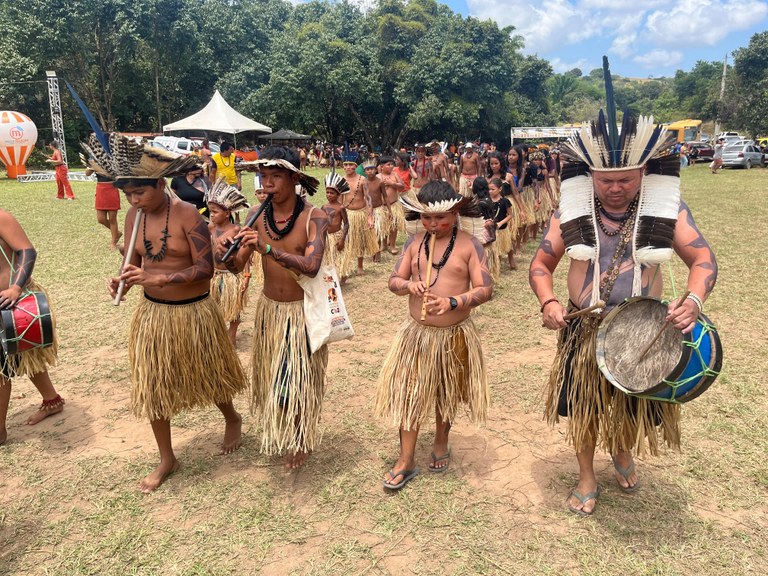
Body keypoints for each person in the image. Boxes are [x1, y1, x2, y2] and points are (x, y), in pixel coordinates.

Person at [529, 58, 718, 516]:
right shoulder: (570, 211)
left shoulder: (667, 209)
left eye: (625, 180)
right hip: (584, 327)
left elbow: (703, 260)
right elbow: (540, 264)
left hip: (640, 327)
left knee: (631, 403)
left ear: (644, 173)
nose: (615, 189)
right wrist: (549, 300)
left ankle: (623, 452)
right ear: (590, 176)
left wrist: (693, 299)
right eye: (606, 180)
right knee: (586, 407)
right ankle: (587, 475)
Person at [83, 132, 247, 493]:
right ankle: (166, 457)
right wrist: (124, 284)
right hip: (154, 315)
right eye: (128, 195)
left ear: (160, 184)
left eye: (139, 192)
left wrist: (152, 276)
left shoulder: (188, 214)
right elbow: (137, 266)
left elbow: (205, 270)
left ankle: (232, 417)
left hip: (194, 312)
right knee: (153, 385)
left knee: (212, 373)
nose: (134, 200)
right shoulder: (133, 218)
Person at [376, 181, 493, 490]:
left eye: (441, 218)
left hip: (454, 335)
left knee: (446, 391)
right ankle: (406, 459)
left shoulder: (470, 245)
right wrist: (408, 286)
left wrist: (453, 302)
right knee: (409, 394)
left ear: (455, 213)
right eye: (426, 218)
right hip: (417, 335)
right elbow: (393, 280)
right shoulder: (414, 243)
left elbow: (485, 289)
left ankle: (441, 440)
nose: (433, 224)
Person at [219, 147, 329, 469]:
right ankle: (290, 431)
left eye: (276, 176)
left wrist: (267, 248)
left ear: (294, 178)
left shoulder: (314, 217)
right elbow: (238, 268)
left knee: (299, 379)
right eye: (263, 176)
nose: (267, 183)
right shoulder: (256, 214)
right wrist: (226, 248)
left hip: (301, 312)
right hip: (270, 311)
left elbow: (311, 265)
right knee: (278, 381)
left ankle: (300, 436)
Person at [0, 210, 65, 446]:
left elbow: (27, 250)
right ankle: (52, 400)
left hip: (10, 300)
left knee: (2, 368)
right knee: (27, 353)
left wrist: (15, 288)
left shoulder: (0, 217)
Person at [206, 178, 252, 347]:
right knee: (215, 306)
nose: (211, 215)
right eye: (210, 211)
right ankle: (218, 335)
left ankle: (232, 335)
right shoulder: (210, 228)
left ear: (227, 213)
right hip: (215, 275)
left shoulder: (236, 230)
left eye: (215, 212)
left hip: (232, 276)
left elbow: (244, 255)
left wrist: (246, 276)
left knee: (234, 308)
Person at [338, 156, 377, 279]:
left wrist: (370, 217)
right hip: (347, 215)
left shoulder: (363, 180)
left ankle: (360, 266)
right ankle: (345, 268)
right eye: (346, 165)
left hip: (360, 213)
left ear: (356, 166)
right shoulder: (341, 181)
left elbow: (368, 198)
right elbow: (339, 201)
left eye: (351, 165)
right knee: (345, 241)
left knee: (359, 240)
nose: (348, 167)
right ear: (343, 166)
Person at [85, 166, 122, 249]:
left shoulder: (112, 158)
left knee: (112, 218)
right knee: (101, 219)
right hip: (100, 189)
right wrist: (92, 167)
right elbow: (87, 174)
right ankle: (117, 233)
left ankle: (113, 242)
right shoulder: (94, 159)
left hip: (112, 188)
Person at [322, 172, 350, 277]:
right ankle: (330, 276)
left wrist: (342, 239)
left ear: (338, 195)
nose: (329, 195)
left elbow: (346, 224)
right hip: (327, 237)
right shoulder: (324, 207)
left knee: (339, 256)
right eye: (327, 192)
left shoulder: (341, 207)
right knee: (328, 257)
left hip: (337, 235)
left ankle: (342, 275)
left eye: (332, 193)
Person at [363, 159, 390, 263]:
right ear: (365, 171)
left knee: (378, 231)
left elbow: (386, 197)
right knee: (370, 232)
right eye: (368, 170)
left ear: (376, 170)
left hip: (378, 209)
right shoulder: (363, 182)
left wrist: (389, 211)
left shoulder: (380, 182)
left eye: (372, 169)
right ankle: (372, 250)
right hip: (367, 210)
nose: (370, 171)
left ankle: (377, 251)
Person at [379, 155, 406, 254]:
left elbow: (402, 186)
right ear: (381, 166)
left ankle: (392, 245)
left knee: (393, 226)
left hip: (394, 205)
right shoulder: (377, 177)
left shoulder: (395, 175)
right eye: (388, 164)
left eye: (392, 164)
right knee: (383, 226)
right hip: (381, 207)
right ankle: (384, 244)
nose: (391, 166)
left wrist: (392, 184)